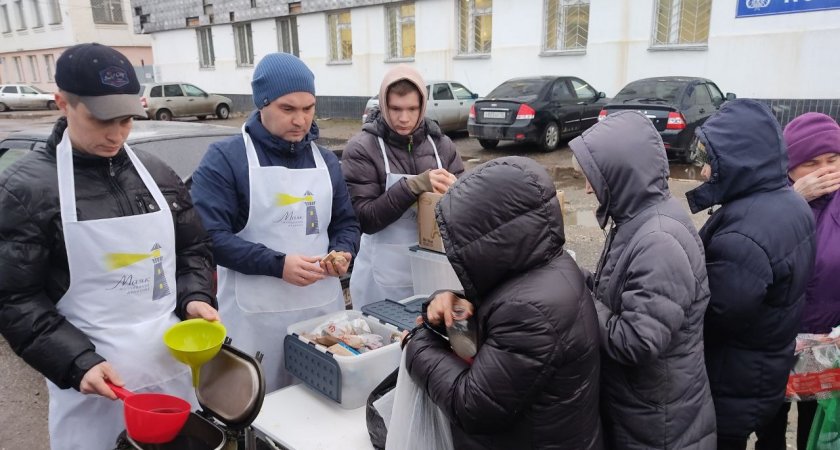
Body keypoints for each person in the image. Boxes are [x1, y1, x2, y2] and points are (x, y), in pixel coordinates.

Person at [0, 43, 218, 450]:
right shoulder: (24, 190)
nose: (116, 134)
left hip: (171, 373)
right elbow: (14, 298)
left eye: (126, 120)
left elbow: (193, 249)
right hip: (92, 386)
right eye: (101, 119)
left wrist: (194, 296)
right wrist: (76, 361)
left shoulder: (156, 174)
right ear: (63, 102)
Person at [403, 156, 603, 449]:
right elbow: (496, 326)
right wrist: (453, 305)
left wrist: (417, 343)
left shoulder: (531, 310)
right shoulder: (549, 267)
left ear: (487, 236)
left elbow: (473, 407)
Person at [190, 52, 360, 392]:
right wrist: (278, 264)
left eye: (308, 108)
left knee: (318, 404)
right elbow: (209, 237)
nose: (301, 120)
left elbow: (346, 223)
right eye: (288, 109)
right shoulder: (226, 158)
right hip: (255, 319)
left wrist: (343, 251)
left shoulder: (325, 161)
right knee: (260, 413)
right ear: (262, 104)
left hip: (321, 314)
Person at [570, 110, 716, 448]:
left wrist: (580, 300)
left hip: (661, 427)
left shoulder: (659, 241)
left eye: (593, 175)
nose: (588, 189)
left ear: (619, 173)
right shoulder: (636, 220)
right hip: (646, 411)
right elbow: (614, 296)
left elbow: (636, 341)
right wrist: (572, 274)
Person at [685, 99, 816, 450]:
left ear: (739, 160)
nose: (703, 173)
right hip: (762, 368)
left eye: (711, 163)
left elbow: (715, 315)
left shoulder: (745, 236)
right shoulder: (788, 202)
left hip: (732, 385)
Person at [342, 64, 463, 309]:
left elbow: (469, 211)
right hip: (382, 278)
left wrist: (459, 192)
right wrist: (413, 186)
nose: (404, 118)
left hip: (435, 276)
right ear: (384, 105)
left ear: (423, 106)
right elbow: (365, 219)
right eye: (396, 109)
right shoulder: (363, 148)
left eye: (412, 109)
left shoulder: (442, 146)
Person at [755, 112, 840, 450]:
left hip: (825, 350)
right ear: (789, 166)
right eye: (811, 162)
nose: (826, 169)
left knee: (814, 434)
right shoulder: (768, 200)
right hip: (773, 347)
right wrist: (793, 201)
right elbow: (751, 257)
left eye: (833, 159)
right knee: (770, 431)